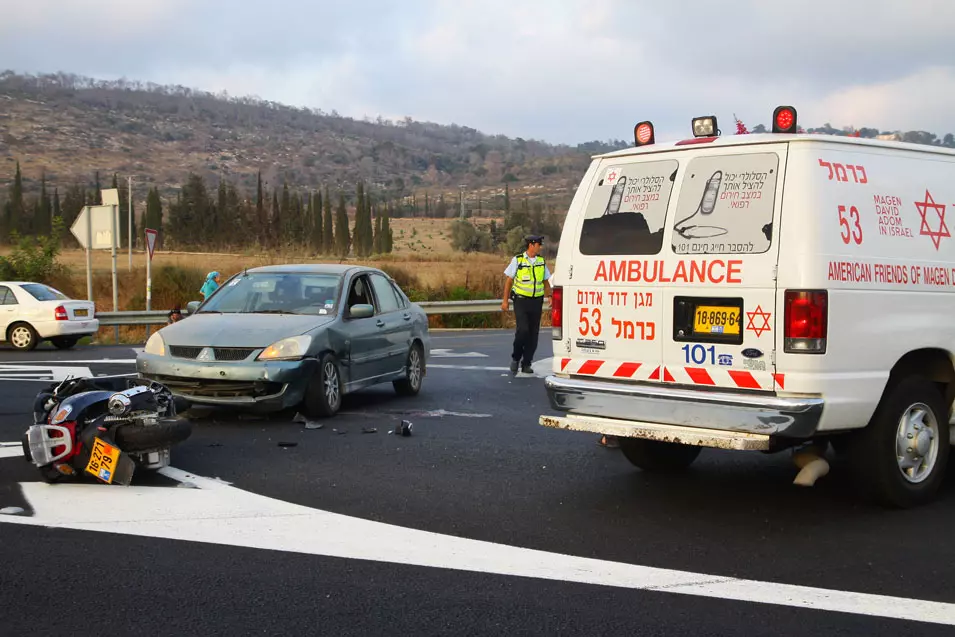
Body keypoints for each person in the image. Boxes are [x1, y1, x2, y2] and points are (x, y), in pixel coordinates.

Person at [502, 234, 551, 374]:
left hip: (536, 301)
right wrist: (505, 301)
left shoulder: (541, 261)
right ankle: (516, 357)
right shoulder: (518, 260)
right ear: (531, 245)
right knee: (523, 330)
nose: (540, 247)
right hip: (521, 300)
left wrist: (550, 296)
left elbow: (546, 280)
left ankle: (527, 363)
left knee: (533, 334)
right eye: (538, 245)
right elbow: (508, 281)